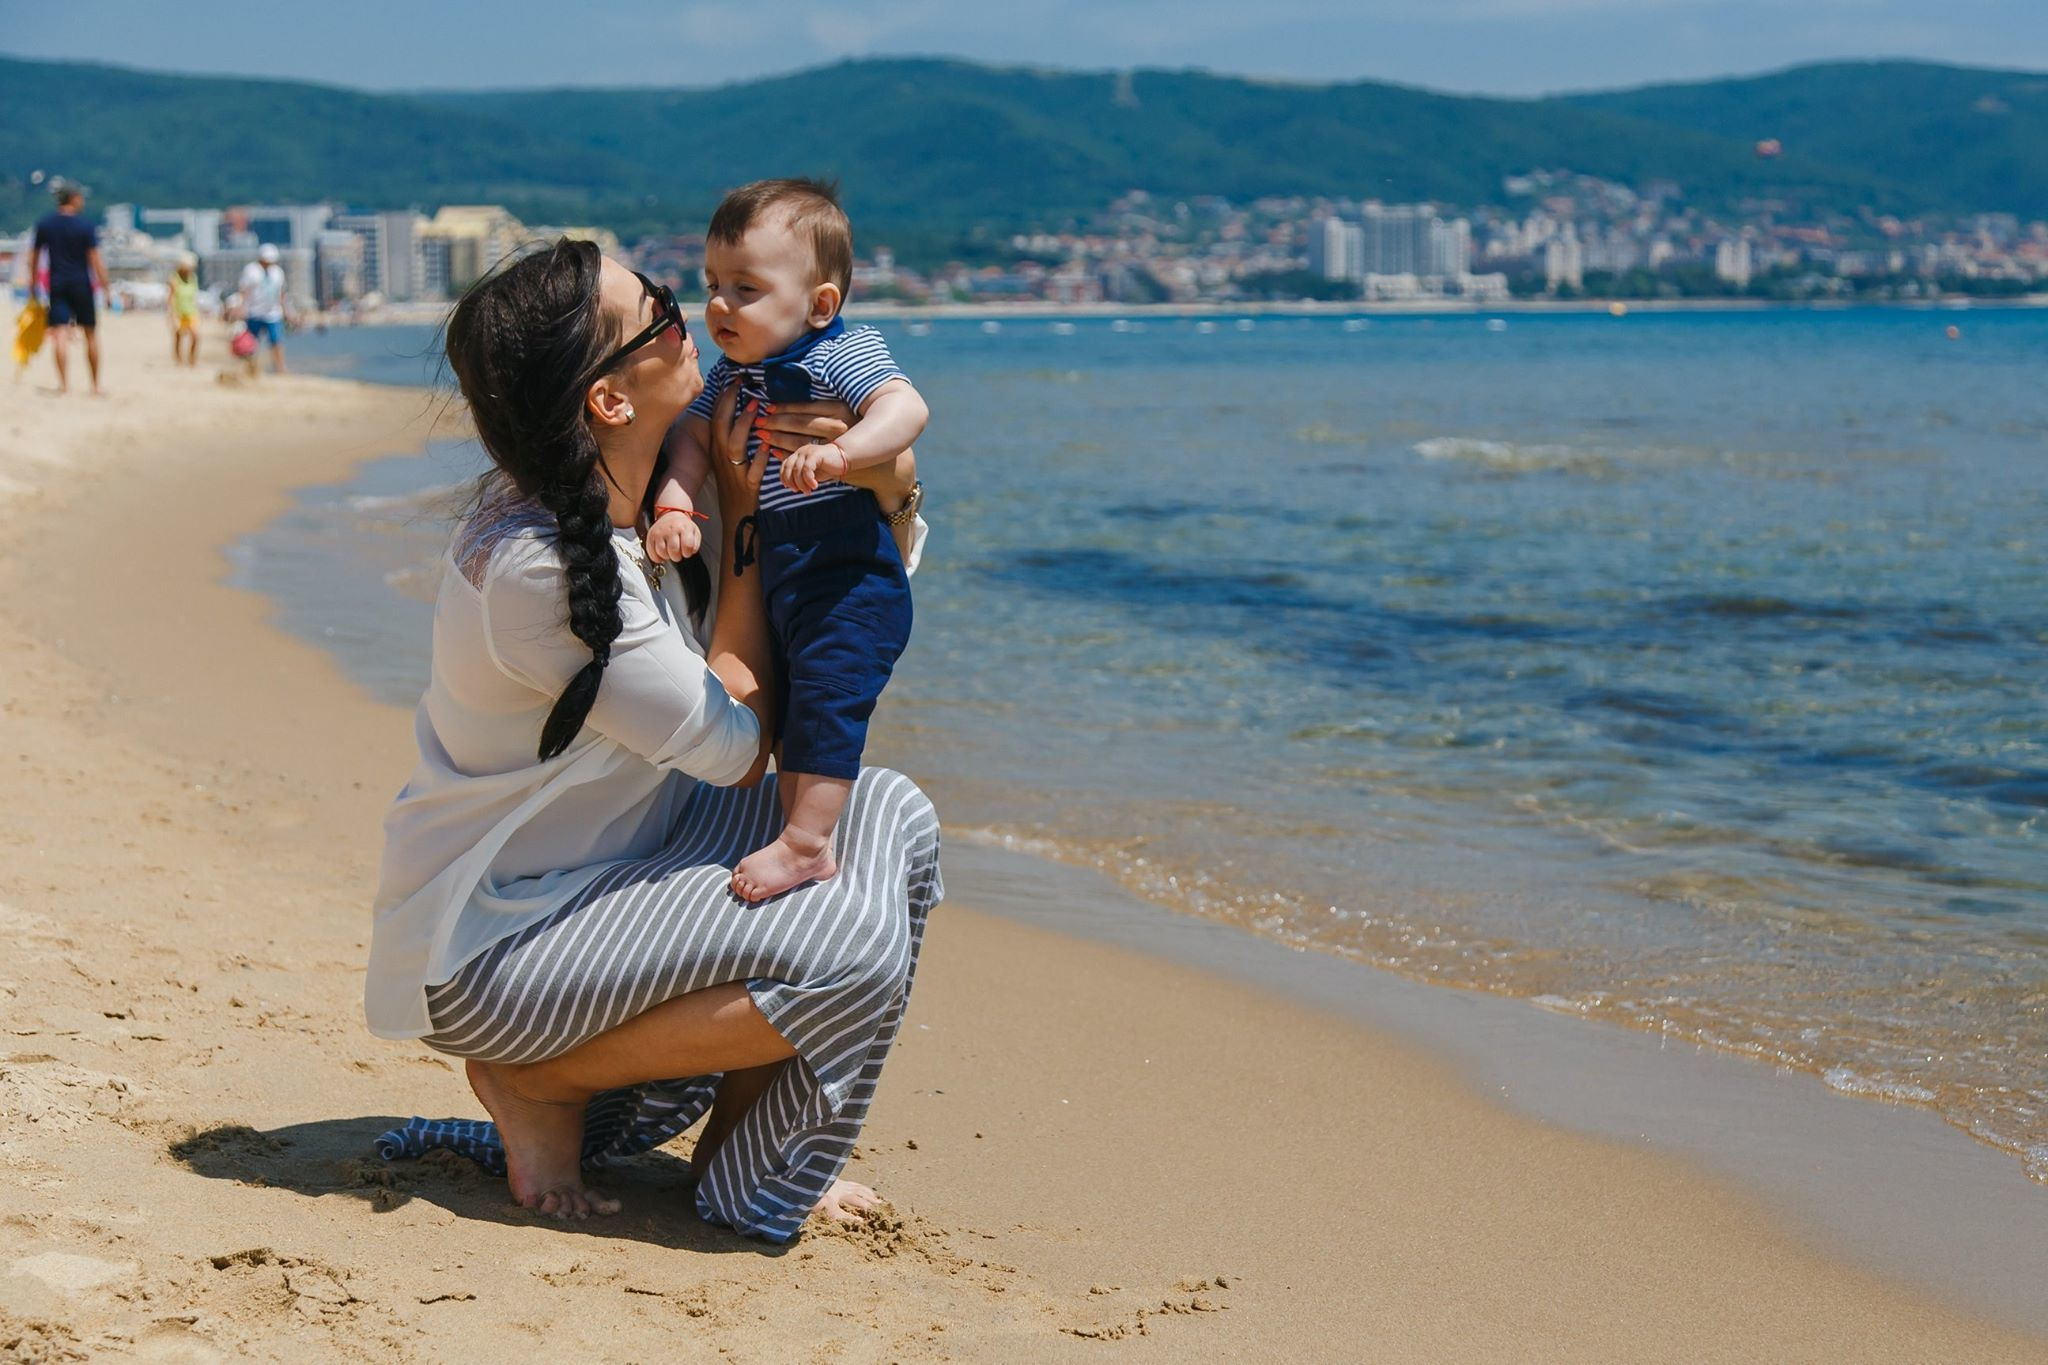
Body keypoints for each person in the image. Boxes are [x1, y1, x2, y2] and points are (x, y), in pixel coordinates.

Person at [365, 239, 941, 1240]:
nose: (700, 323)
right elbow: (735, 748)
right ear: (609, 401)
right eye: (666, 314)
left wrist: (883, 486)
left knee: (893, 815)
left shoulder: (644, 504)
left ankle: (748, 1152)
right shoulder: (541, 568)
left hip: (611, 892)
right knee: (849, 944)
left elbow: (831, 619)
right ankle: (538, 1081)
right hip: (497, 950)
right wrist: (754, 527)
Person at [645, 179, 929, 904]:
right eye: (713, 284)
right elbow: (691, 440)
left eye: (745, 288)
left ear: (819, 304)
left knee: (831, 694)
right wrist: (676, 502)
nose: (718, 305)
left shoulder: (841, 354)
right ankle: (801, 833)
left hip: (847, 566)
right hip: (782, 562)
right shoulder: (729, 375)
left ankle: (807, 842)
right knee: (802, 701)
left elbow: (905, 406)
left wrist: (848, 453)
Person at [31, 183, 109, 396]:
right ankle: (95, 385)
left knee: (60, 334)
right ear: (73, 198)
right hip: (81, 284)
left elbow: (35, 257)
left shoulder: (46, 224)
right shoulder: (86, 226)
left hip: (57, 284)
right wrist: (106, 287)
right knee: (90, 334)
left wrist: (32, 285)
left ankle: (64, 385)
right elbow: (95, 259)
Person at [237, 244, 290, 373]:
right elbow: (244, 290)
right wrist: (241, 308)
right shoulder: (251, 270)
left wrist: (286, 310)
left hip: (273, 313)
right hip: (254, 312)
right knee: (251, 343)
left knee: (276, 341)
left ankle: (280, 368)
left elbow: (282, 293)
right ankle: (251, 368)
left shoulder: (278, 272)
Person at [168, 253, 201, 367]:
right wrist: (172, 315)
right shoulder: (174, 278)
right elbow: (171, 298)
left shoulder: (193, 278)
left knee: (195, 336)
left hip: (191, 312)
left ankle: (192, 359)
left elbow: (194, 297)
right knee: (178, 337)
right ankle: (179, 360)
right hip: (179, 312)